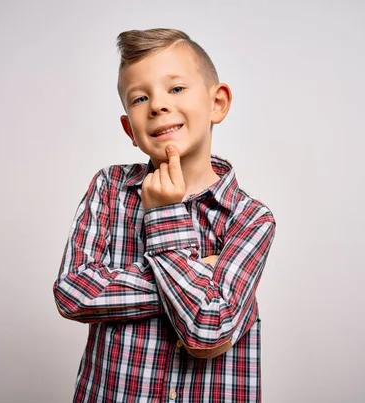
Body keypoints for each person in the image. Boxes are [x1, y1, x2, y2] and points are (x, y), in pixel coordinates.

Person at [53, 28, 276, 403]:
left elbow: (209, 330)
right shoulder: (110, 188)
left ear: (217, 103)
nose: (157, 105)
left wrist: (163, 216)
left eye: (175, 89)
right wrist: (202, 280)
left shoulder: (251, 219)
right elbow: (73, 291)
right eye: (139, 98)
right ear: (130, 129)